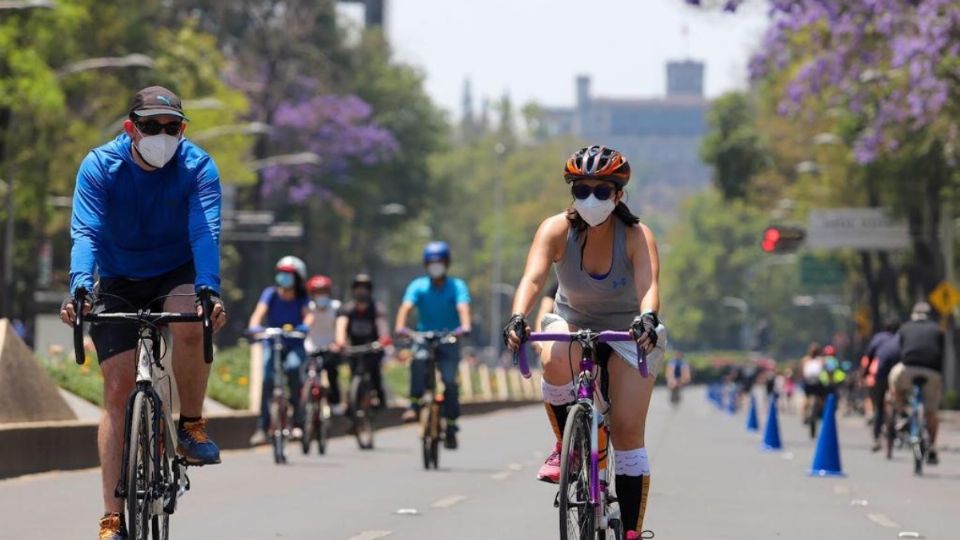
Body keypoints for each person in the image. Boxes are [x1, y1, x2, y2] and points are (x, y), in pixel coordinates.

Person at [59, 86, 227, 540]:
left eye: (173, 127)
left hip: (177, 271)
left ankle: (190, 425)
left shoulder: (197, 167)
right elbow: (86, 232)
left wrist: (209, 290)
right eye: (151, 126)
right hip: (117, 278)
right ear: (130, 129)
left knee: (191, 325)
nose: (163, 135)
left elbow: (205, 232)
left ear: (183, 130)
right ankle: (112, 517)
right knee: (117, 387)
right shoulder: (99, 167)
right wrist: (80, 286)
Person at [504, 145, 666, 539]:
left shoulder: (635, 235)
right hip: (573, 324)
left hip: (628, 333)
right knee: (554, 353)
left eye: (601, 191)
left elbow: (649, 286)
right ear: (571, 193)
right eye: (581, 190)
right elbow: (532, 278)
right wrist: (518, 317)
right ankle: (568, 446)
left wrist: (647, 318)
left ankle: (631, 531)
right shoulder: (555, 229)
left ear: (618, 195)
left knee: (627, 433)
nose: (590, 199)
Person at [394, 241, 472, 449]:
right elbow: (406, 307)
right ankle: (414, 403)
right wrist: (401, 326)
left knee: (449, 380)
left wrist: (464, 326)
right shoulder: (417, 285)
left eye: (439, 262)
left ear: (446, 263)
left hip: (449, 339)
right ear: (425, 264)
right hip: (423, 337)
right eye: (431, 262)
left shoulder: (457, 286)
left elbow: (463, 307)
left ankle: (452, 425)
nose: (435, 266)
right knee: (418, 360)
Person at [247, 256, 314, 445]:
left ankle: (299, 422)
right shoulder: (270, 293)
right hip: (273, 343)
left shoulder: (302, 298)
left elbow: (309, 317)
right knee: (267, 380)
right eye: (282, 273)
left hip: (295, 344)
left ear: (298, 278)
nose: (284, 277)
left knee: (293, 370)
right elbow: (257, 316)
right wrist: (254, 328)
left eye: (289, 274)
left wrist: (304, 327)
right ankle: (262, 427)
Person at [890, 302, 944, 465]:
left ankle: (901, 413)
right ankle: (933, 448)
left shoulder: (905, 327)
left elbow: (898, 351)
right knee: (932, 412)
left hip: (908, 369)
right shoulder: (938, 330)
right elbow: (941, 353)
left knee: (893, 379)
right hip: (932, 372)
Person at [335, 273, 392, 410]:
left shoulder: (376, 308)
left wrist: (383, 339)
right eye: (358, 288)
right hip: (354, 348)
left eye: (364, 288)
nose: (361, 292)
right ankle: (352, 406)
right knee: (353, 376)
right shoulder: (347, 309)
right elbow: (341, 325)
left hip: (373, 347)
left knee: (374, 374)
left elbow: (381, 324)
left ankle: (380, 398)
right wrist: (340, 341)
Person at [304, 274, 344, 413]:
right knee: (305, 375)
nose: (321, 295)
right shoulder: (308, 308)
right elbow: (305, 325)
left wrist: (339, 343)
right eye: (318, 292)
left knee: (332, 372)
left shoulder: (336, 307)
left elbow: (340, 326)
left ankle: (335, 402)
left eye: (324, 292)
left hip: (330, 347)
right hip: (311, 348)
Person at [861, 318, 899, 450]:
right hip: (898, 374)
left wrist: (864, 373)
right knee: (899, 403)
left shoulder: (878, 338)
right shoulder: (901, 338)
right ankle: (898, 425)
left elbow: (870, 356)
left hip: (881, 373)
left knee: (879, 407)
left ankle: (877, 437)